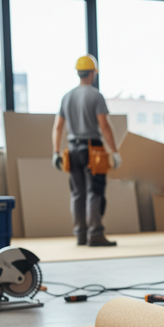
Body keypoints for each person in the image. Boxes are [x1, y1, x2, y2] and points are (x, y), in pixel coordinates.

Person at [52, 55, 122, 246]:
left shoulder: (67, 97)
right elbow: (104, 126)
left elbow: (58, 127)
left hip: (72, 148)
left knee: (77, 193)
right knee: (95, 192)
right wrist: (114, 151)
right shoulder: (95, 95)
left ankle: (80, 235)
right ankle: (95, 234)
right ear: (93, 74)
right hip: (93, 149)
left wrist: (56, 152)